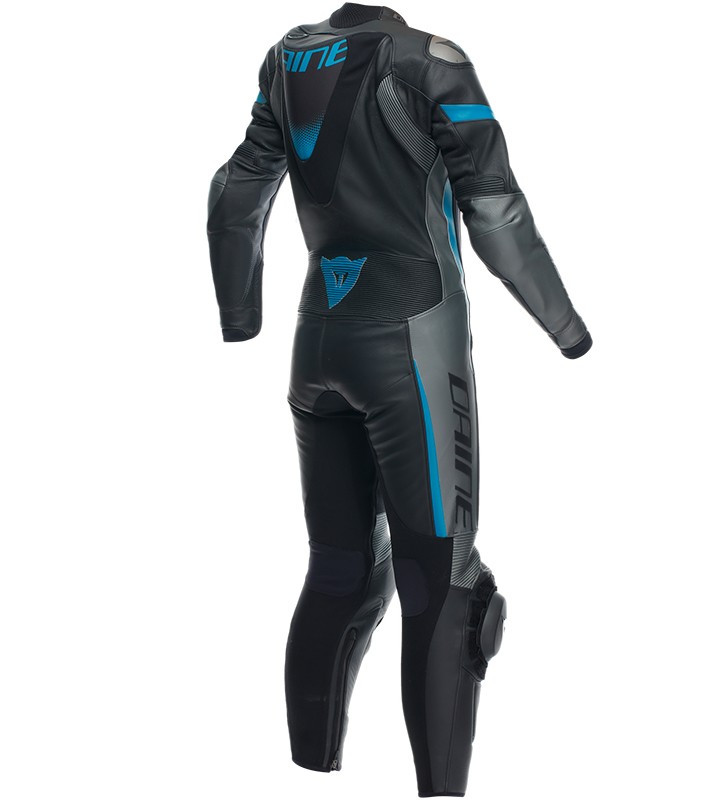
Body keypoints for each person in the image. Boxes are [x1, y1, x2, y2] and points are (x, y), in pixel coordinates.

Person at [206, 3, 592, 796]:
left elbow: (236, 192)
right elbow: (496, 209)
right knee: (444, 586)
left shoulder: (287, 59)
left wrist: (240, 314)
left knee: (340, 570)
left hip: (318, 339)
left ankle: (305, 775)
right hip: (412, 344)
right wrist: (567, 329)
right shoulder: (430, 62)